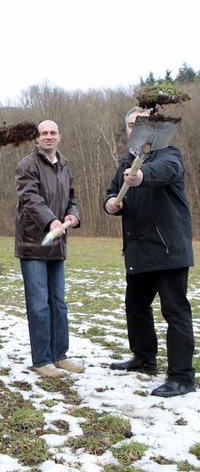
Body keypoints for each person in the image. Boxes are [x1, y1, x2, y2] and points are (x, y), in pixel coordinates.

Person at [104, 106, 196, 398]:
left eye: (140, 124)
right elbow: (112, 191)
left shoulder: (168, 154)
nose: (135, 128)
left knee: (175, 312)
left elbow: (166, 171)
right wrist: (110, 203)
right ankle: (144, 359)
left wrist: (142, 175)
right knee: (136, 307)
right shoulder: (125, 161)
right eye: (131, 124)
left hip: (168, 250)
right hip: (138, 249)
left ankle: (182, 377)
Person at [14, 120, 84, 378]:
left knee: (59, 304)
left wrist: (72, 215)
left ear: (59, 136)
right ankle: (42, 360)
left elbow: (72, 198)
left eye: (53, 132)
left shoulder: (64, 167)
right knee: (39, 306)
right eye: (44, 133)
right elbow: (30, 199)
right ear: (37, 138)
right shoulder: (27, 166)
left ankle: (60, 356)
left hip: (58, 245)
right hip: (33, 245)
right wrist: (51, 220)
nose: (48, 137)